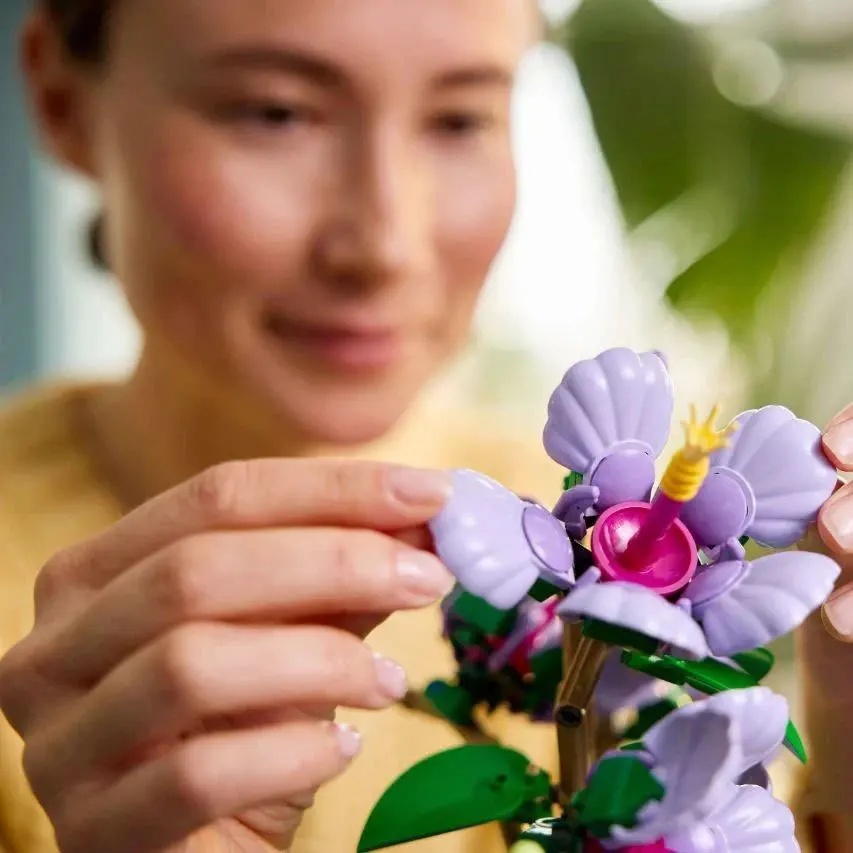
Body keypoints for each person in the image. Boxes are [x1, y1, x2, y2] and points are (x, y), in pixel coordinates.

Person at [0, 1, 850, 852]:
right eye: (275, 112)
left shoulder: (555, 541)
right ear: (62, 100)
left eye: (457, 118)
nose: (385, 244)